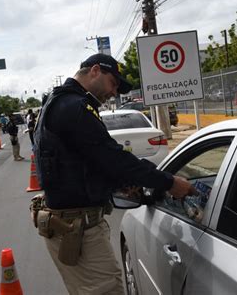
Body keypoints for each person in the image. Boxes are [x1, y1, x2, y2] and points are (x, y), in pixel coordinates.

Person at [32, 53, 196, 294]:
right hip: (77, 228)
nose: (114, 92)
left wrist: (114, 183)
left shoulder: (59, 102)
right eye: (113, 83)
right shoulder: (74, 108)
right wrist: (170, 182)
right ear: (95, 71)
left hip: (68, 222)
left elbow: (81, 161)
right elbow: (115, 159)